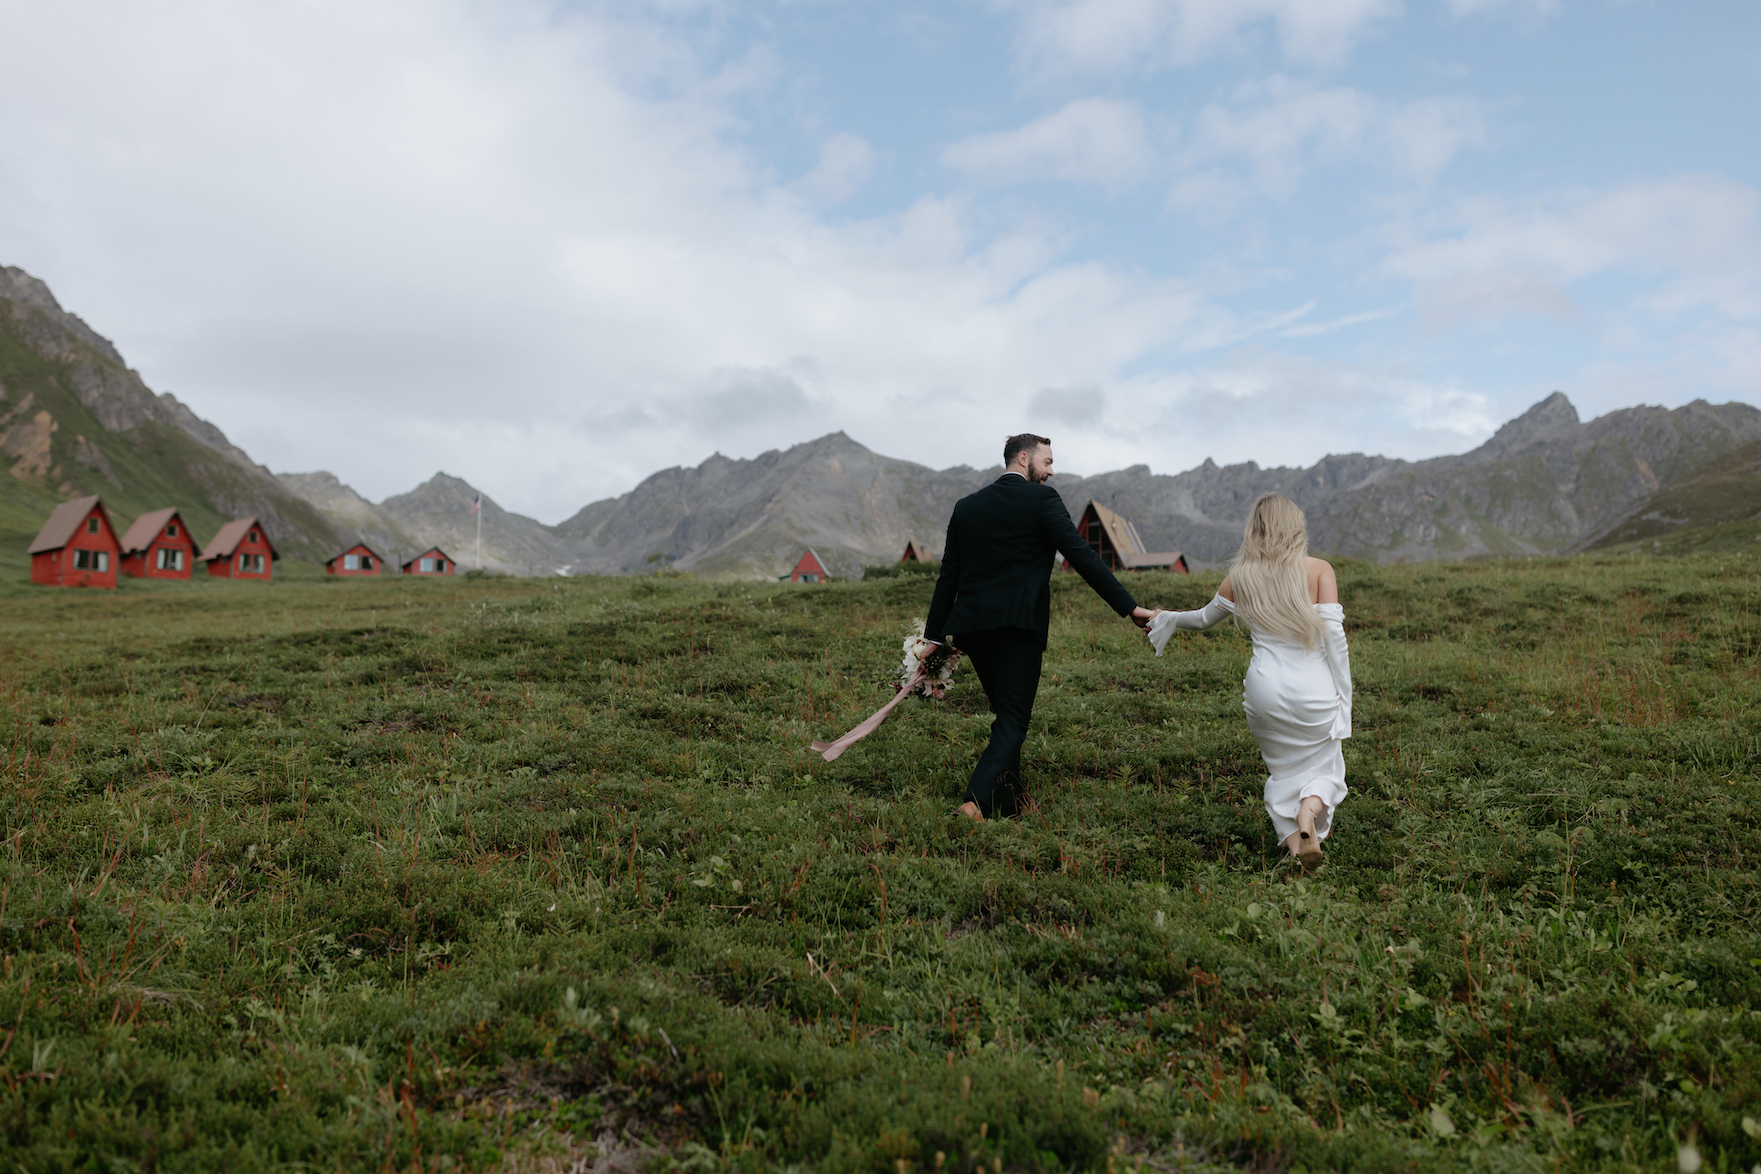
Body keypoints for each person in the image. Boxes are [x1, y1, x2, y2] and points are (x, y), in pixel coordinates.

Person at [922, 433, 1156, 821]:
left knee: (1006, 714)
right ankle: (975, 804)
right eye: (1047, 462)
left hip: (973, 630)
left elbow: (949, 577)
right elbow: (1080, 555)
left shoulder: (966, 507)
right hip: (1018, 627)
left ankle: (1012, 801)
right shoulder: (1042, 499)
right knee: (1014, 719)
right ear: (1024, 458)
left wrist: (933, 637)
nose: (1051, 471)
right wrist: (1129, 608)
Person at [1144, 493, 1351, 870]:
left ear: (1254, 530)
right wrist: (1345, 702)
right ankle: (1309, 813)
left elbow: (1201, 619)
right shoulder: (1320, 570)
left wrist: (1163, 616)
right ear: (1295, 526)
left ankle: (1295, 848)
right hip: (1315, 691)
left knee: (1283, 773)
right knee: (1328, 768)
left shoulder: (1240, 577)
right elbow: (1336, 642)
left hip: (1264, 693)